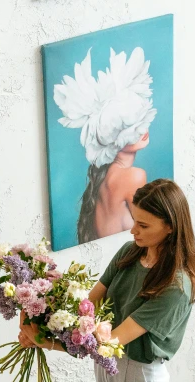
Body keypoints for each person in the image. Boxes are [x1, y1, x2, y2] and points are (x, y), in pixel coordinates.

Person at [18, 179, 195, 382]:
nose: (133, 230)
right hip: (108, 366)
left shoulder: (175, 285)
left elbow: (111, 341)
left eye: (144, 225)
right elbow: (88, 307)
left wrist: (49, 343)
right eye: (134, 220)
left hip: (139, 374)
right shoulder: (129, 253)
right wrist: (41, 320)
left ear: (170, 226)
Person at [53, 47, 157, 244]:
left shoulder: (103, 179)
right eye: (131, 126)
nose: (142, 129)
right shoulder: (134, 176)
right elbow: (152, 236)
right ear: (112, 140)